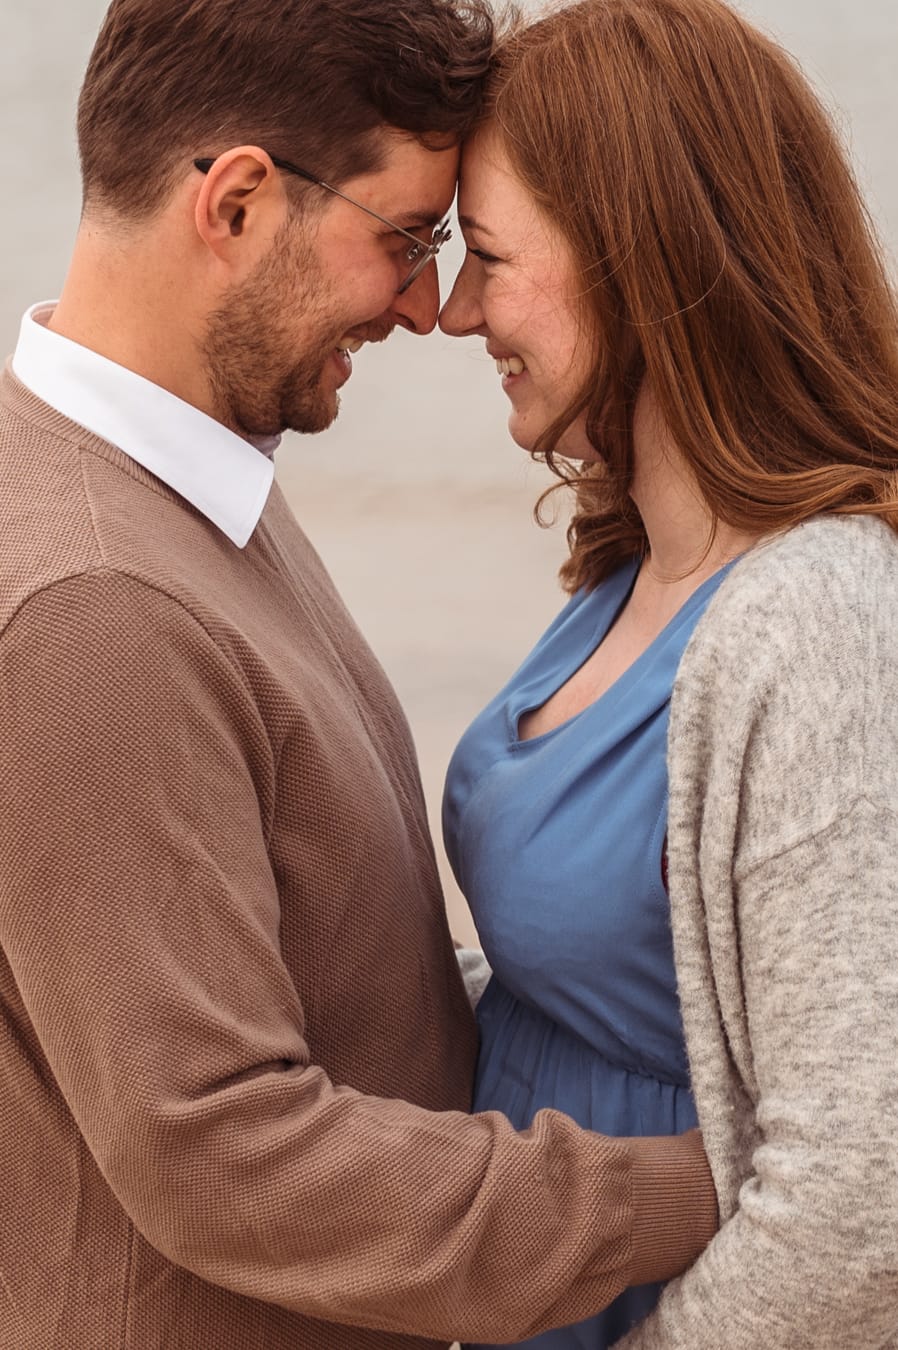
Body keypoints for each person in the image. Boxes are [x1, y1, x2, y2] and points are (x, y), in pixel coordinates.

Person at [0, 1, 721, 1347]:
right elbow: (225, 1150)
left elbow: (321, 964)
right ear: (235, 202)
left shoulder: (176, 484)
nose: (425, 305)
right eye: (403, 240)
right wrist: (700, 1184)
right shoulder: (95, 602)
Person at [439, 0, 898, 1345]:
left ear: (638, 261)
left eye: (489, 257)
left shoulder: (814, 619)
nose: (455, 311)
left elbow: (856, 1202)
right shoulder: (627, 570)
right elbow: (581, 987)